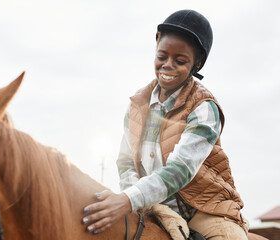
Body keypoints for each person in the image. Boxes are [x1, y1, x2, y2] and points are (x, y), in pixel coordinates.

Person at [82, 9, 249, 239]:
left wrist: (127, 199)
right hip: (152, 206)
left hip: (205, 210)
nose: (167, 65)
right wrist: (133, 199)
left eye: (180, 61)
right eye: (162, 57)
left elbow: (180, 171)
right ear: (156, 47)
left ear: (196, 64)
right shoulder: (136, 105)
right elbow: (126, 162)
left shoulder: (204, 108)